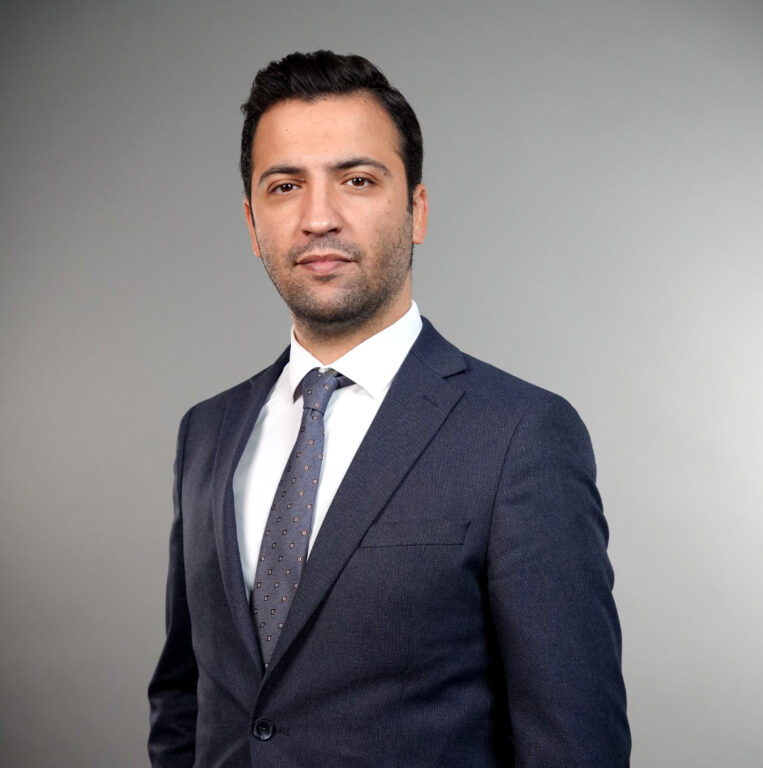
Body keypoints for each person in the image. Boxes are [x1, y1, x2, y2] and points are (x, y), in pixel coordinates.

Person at [148, 50, 630, 767]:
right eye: (285, 186)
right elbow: (185, 701)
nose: (318, 217)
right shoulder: (208, 432)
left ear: (417, 210)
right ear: (252, 223)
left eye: (358, 180)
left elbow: (574, 745)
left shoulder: (519, 435)